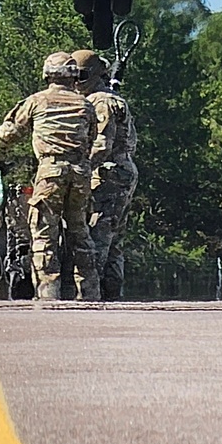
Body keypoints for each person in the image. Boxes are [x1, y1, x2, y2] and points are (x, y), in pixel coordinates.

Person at [0, 52, 100, 301]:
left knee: (44, 233)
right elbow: (92, 137)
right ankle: (89, 293)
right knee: (79, 231)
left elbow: (9, 131)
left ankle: (49, 294)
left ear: (48, 74)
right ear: (73, 76)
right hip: (81, 173)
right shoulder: (85, 105)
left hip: (50, 173)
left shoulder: (37, 102)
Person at [72, 48, 139, 301]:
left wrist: (82, 170)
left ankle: (92, 294)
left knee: (98, 235)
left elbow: (102, 144)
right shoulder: (108, 98)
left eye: (80, 75)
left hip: (109, 173)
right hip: (120, 172)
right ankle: (112, 294)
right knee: (113, 239)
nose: (76, 81)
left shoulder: (101, 102)